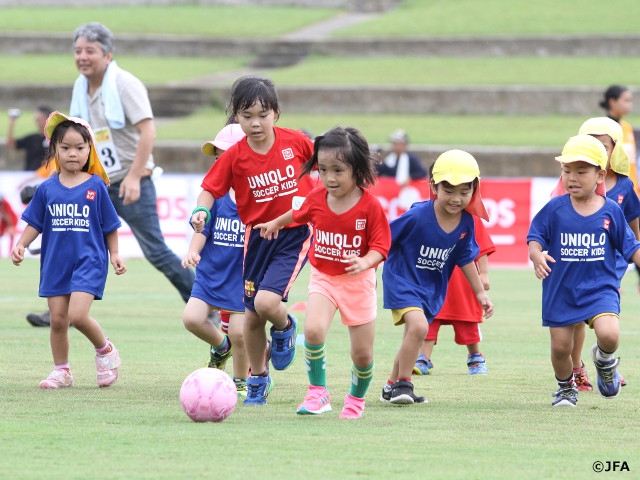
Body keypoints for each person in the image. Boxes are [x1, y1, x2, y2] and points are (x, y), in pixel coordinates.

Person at [25, 22, 195, 327]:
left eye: (90, 50)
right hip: (94, 184)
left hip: (132, 183)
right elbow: (74, 141)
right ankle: (57, 314)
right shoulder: (81, 87)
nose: (82, 57)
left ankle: (201, 303)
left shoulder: (125, 84)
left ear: (108, 54)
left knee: (155, 252)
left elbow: (148, 131)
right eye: (78, 50)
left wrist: (132, 177)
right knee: (71, 242)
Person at [190, 76, 316, 406]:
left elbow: (325, 164)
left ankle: (286, 327)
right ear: (236, 117)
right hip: (256, 238)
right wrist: (202, 210)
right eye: (246, 116)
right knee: (253, 317)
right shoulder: (235, 156)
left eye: (262, 114)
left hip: (293, 235)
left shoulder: (297, 142)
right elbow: (210, 188)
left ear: (276, 112)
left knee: (265, 304)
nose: (255, 123)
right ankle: (258, 379)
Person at [255, 126, 391, 419]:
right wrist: (275, 223)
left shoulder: (370, 207)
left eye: (338, 170)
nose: (329, 178)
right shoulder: (318, 197)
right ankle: (317, 393)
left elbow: (381, 246)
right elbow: (298, 212)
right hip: (324, 278)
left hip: (359, 284)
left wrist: (366, 262)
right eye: (324, 169)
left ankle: (356, 400)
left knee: (363, 355)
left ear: (357, 169)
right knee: (314, 331)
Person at [11, 111, 126, 389]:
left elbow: (109, 225)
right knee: (59, 320)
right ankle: (62, 371)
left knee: (77, 316)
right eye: (65, 148)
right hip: (55, 263)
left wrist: (115, 254)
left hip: (89, 261)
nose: (72, 153)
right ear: (54, 150)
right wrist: (21, 244)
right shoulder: (47, 188)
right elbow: (34, 222)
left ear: (89, 150)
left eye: (79, 148)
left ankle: (105, 350)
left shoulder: (96, 186)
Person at [528, 134, 640, 407]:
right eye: (566, 171)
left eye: (581, 171)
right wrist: (535, 254)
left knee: (610, 334)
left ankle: (603, 361)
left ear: (600, 174)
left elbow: (631, 246)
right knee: (560, 348)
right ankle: (566, 388)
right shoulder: (555, 208)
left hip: (599, 289)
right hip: (561, 291)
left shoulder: (611, 211)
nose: (572, 177)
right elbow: (535, 236)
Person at [380, 150, 494, 405]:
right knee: (419, 327)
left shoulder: (466, 223)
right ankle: (403, 385)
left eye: (465, 191)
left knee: (414, 333)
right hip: (402, 280)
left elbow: (465, 259)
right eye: (449, 190)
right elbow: (385, 240)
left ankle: (390, 387)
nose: (456, 198)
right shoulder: (418, 215)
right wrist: (368, 266)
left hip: (430, 289)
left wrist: (480, 293)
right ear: (434, 186)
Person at [553, 117, 640, 391]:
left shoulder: (625, 186)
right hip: (575, 260)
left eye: (603, 146)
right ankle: (577, 368)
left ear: (615, 149)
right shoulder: (570, 183)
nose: (597, 152)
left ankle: (605, 361)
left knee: (606, 320)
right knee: (576, 317)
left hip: (609, 265)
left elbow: (634, 232)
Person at [182, 123, 251, 399]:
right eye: (217, 157)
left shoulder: (256, 200)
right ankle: (221, 347)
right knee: (191, 319)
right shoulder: (214, 196)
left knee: (240, 333)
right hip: (210, 275)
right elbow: (203, 230)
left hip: (241, 280)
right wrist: (193, 250)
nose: (220, 163)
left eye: (226, 156)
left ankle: (241, 380)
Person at [413, 215, 495, 376]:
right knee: (430, 318)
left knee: (468, 319)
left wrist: (484, 273)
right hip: (435, 277)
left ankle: (475, 357)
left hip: (464, 279)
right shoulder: (429, 215)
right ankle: (423, 358)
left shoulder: (471, 219)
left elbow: (482, 246)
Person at [6, 106, 53, 171]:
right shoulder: (31, 138)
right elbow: (11, 143)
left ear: (48, 119)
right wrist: (11, 124)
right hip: (30, 174)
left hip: (47, 175)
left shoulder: (55, 139)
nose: (36, 122)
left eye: (39, 119)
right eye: (36, 119)